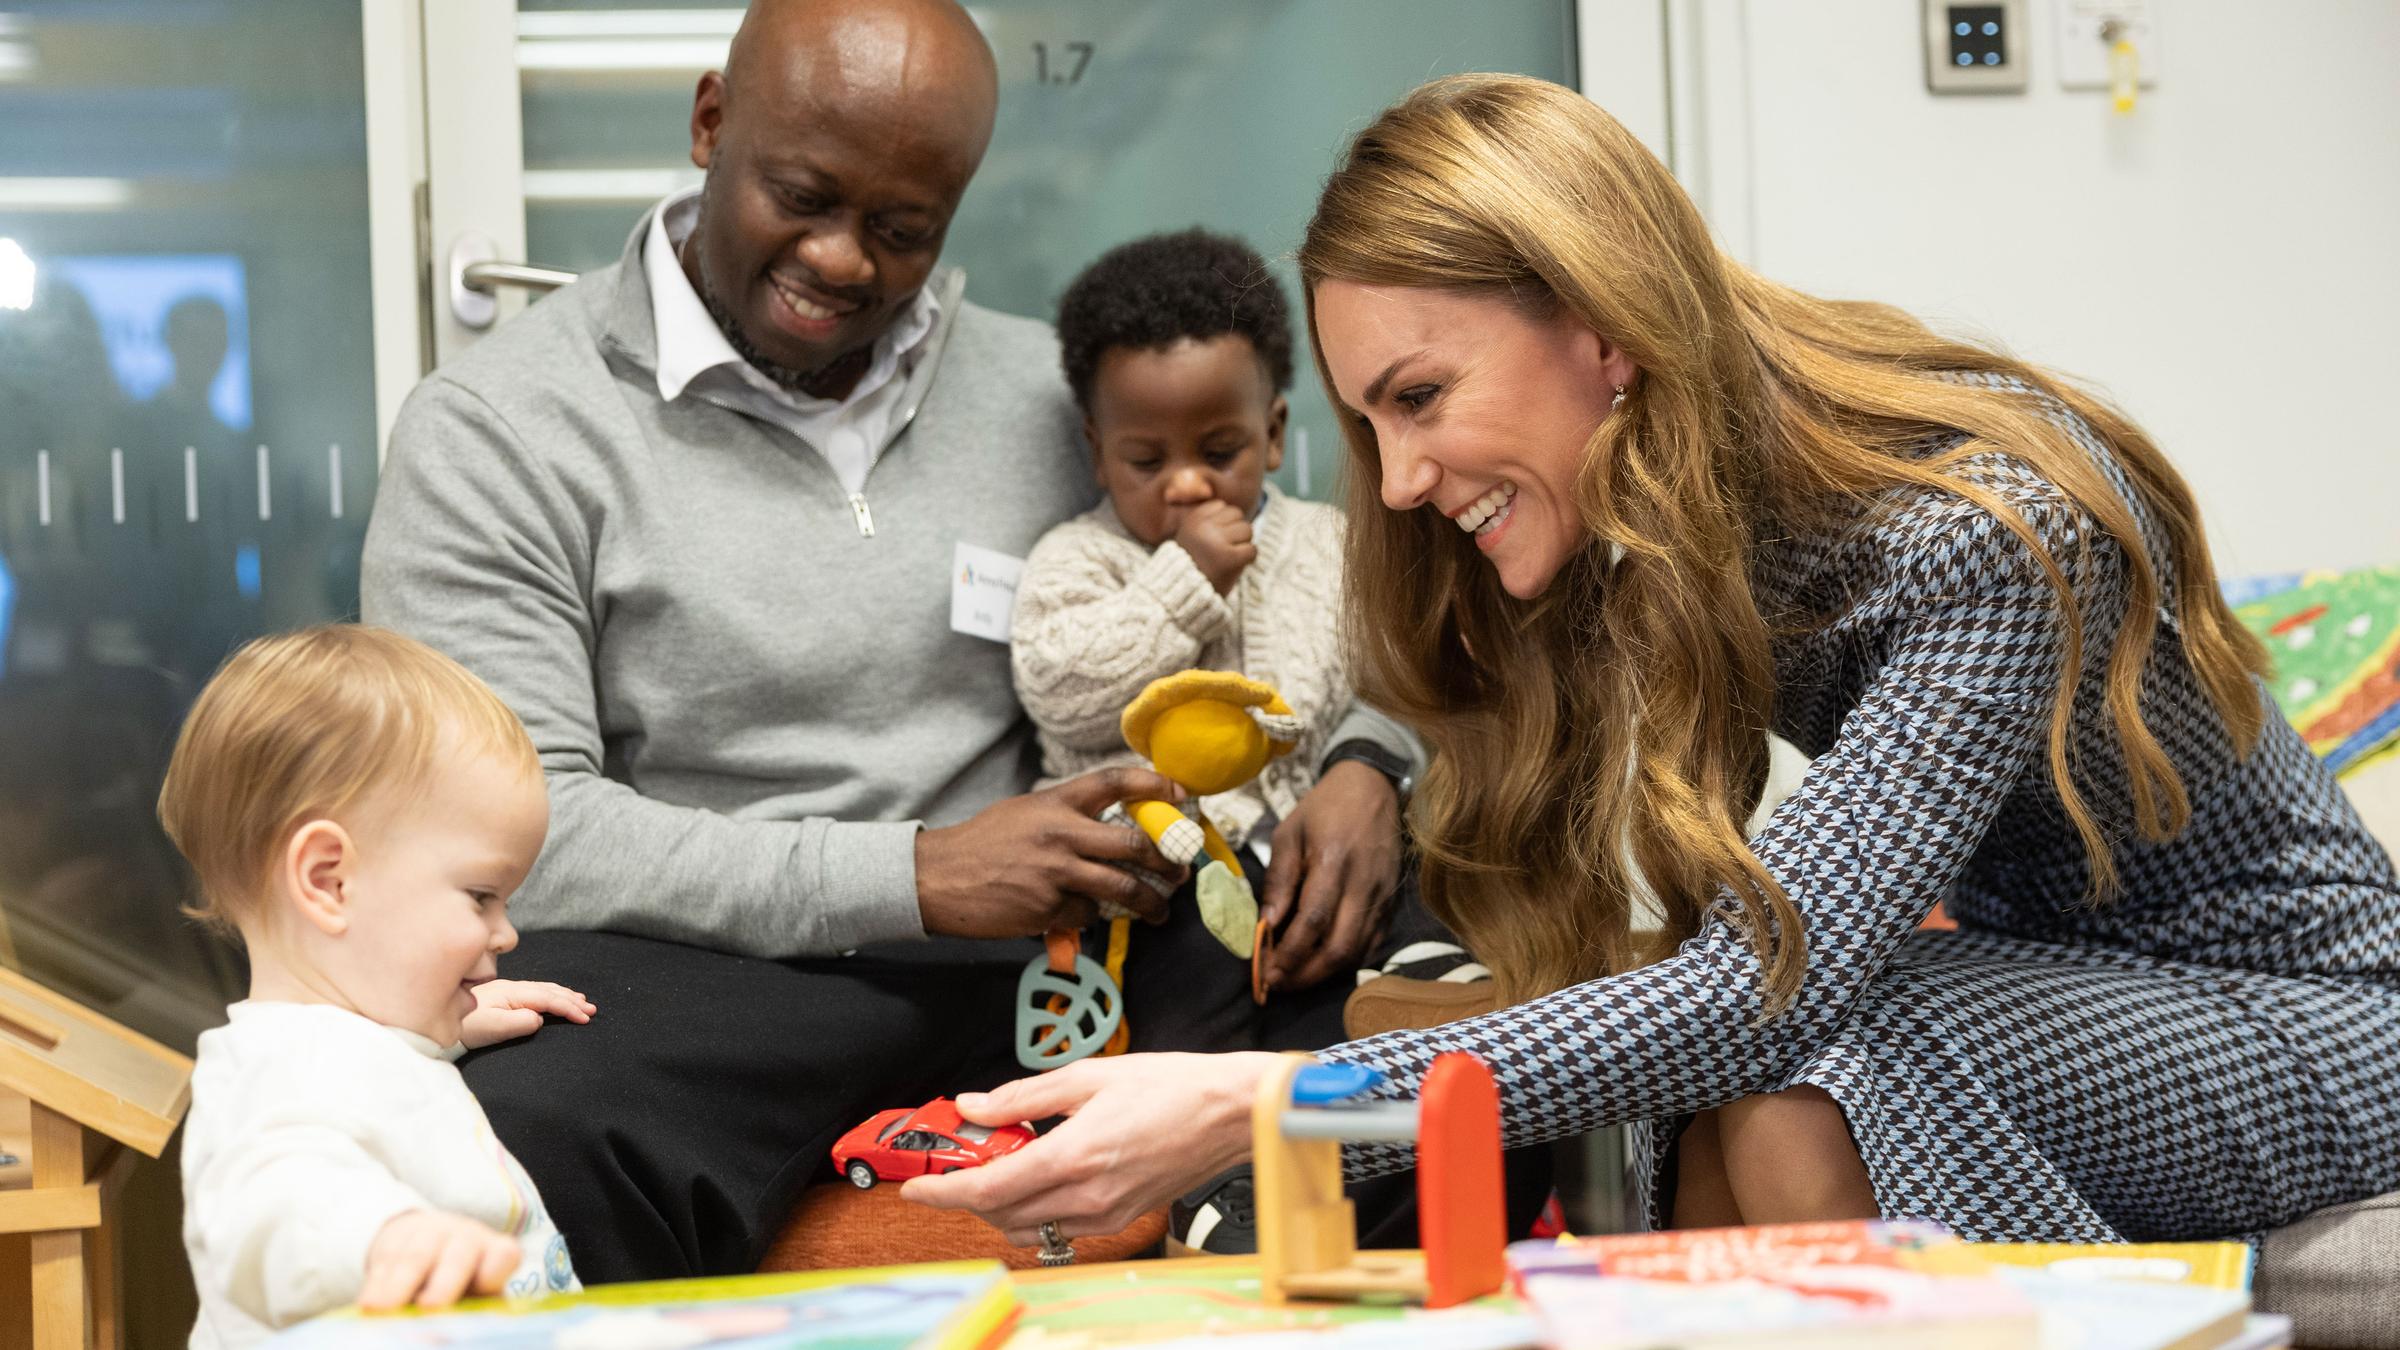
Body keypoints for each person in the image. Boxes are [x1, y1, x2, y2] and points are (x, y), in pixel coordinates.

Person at [906, 73, 2400, 1250]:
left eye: (1421, 397)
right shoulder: (1655, 524)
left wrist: (1272, 1101)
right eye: (1369, 424)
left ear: (1605, 331)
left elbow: (1767, 984)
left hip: (2323, 1014)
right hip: (2064, 979)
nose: (1404, 477)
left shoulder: (1989, 527)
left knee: (1831, 1043)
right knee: (1763, 1069)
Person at [360, 0, 1418, 1279]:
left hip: (1074, 944)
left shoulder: (1065, 400)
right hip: (722, 969)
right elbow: (519, 839)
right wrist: (916, 876)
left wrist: (1370, 760)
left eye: (903, 228)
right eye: (801, 196)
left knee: (1414, 1040)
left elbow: (1320, 591)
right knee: (514, 1126)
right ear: (709, 125)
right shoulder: (502, 429)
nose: (843, 259)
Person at [1015, 228, 1481, 1055]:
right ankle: (1212, 1175)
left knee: (1428, 861)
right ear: (1096, 451)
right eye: (1146, 460)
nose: (1188, 482)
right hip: (1168, 880)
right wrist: (1183, 582)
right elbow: (1061, 686)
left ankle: (1424, 978)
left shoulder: (1331, 543)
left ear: (1271, 434)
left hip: (1321, 861)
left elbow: (1402, 680)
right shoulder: (1076, 558)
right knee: (1191, 1026)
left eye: (1220, 451)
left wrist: (1362, 769)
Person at [159, 625, 595, 1346]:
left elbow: (370, 1084)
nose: (505, 933)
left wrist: (454, 1021)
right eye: (482, 896)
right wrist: (386, 1237)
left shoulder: (347, 1040)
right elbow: (276, 1198)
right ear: (329, 880)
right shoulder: (276, 1078)